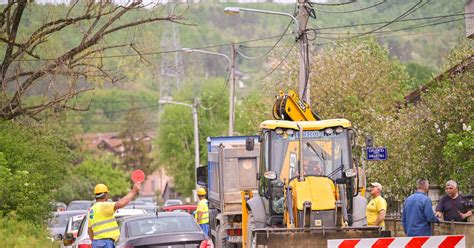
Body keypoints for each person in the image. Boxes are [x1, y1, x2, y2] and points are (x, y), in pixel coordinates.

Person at [88, 182, 141, 248]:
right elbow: (120, 204)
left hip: (96, 243)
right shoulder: (104, 206)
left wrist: (95, 243)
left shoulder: (92, 210)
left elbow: (89, 231)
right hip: (106, 243)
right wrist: (134, 191)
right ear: (106, 195)